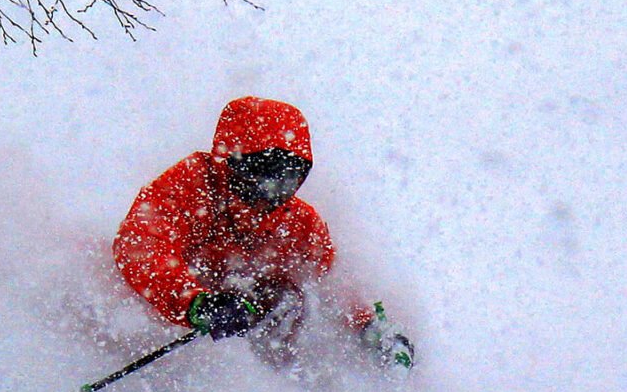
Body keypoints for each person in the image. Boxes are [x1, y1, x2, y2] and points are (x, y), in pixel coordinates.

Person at [112, 96, 413, 375]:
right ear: (233, 161)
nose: (273, 193)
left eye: (289, 178)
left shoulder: (300, 223)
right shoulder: (192, 184)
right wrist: (197, 303)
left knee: (291, 298)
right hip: (162, 321)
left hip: (245, 342)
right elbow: (142, 245)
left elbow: (333, 285)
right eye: (264, 175)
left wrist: (373, 330)